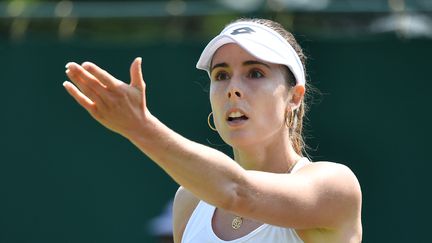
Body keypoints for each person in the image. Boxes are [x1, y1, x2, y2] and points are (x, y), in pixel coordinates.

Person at [63, 18, 362, 243]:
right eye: (221, 75)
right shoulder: (189, 202)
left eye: (255, 73)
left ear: (294, 97)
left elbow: (238, 192)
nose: (233, 89)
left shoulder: (334, 187)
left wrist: (140, 127)